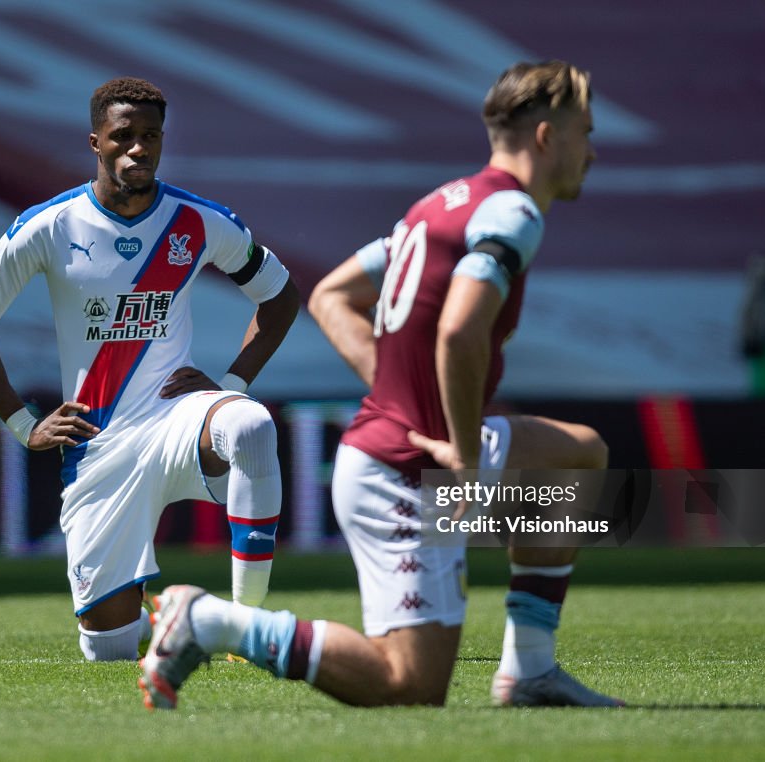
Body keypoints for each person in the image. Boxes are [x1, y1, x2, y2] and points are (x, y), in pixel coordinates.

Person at [139, 60, 624, 710]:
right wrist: (465, 455)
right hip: (401, 471)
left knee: (579, 455)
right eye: (585, 132)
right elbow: (459, 333)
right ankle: (210, 621)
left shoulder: (441, 205)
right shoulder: (513, 214)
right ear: (544, 137)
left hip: (406, 446)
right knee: (409, 685)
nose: (592, 151)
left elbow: (333, 297)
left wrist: (405, 397)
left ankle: (530, 671)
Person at [0, 77, 299, 663]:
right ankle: (166, 622)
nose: (139, 149)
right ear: (95, 142)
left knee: (251, 426)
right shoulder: (49, 226)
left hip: (176, 416)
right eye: (123, 136)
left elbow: (281, 296)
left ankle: (246, 629)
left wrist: (233, 384)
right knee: (108, 649)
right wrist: (22, 424)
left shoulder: (198, 220)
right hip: (98, 441)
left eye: (151, 136)